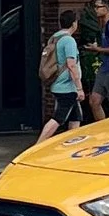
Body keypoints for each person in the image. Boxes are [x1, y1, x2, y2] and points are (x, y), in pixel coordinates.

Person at [38, 9, 84, 141]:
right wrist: (79, 88)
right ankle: (37, 146)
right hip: (66, 87)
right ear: (74, 24)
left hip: (58, 84)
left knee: (76, 117)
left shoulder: (55, 37)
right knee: (58, 118)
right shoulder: (69, 40)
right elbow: (71, 64)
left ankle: (73, 144)